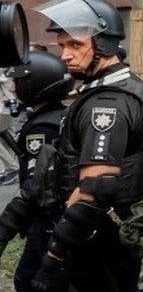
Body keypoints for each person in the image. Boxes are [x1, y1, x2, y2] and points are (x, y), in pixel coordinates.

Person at [29, 0, 143, 292]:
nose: (65, 55)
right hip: (105, 233)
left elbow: (94, 191)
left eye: (75, 45)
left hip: (98, 238)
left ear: (103, 45)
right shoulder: (126, 87)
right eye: (62, 45)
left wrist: (53, 259)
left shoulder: (107, 104)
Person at [0, 51, 73, 292]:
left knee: (28, 280)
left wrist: (8, 224)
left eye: (18, 82)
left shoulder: (41, 128)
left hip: (47, 219)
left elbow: (36, 184)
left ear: (34, 84)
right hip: (60, 219)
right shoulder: (58, 115)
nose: (13, 88)